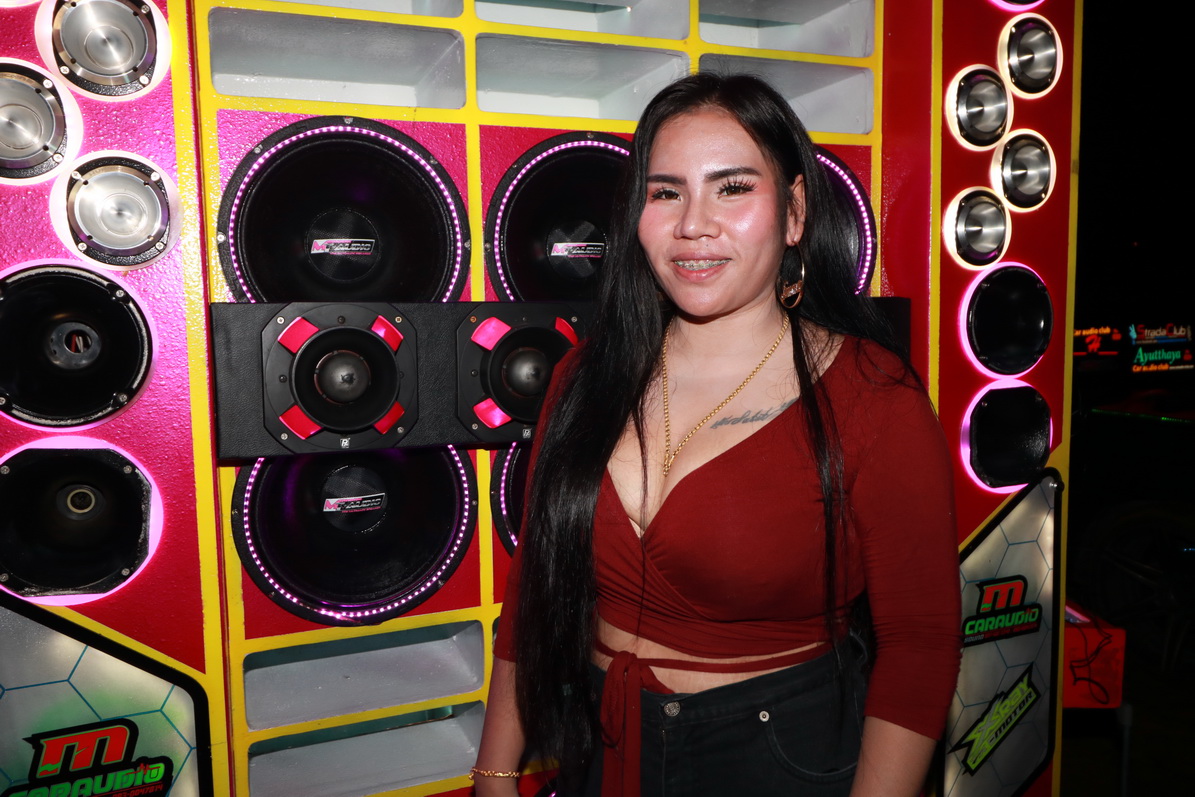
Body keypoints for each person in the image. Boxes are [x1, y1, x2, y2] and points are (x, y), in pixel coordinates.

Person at [472, 73, 960, 797]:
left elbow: (920, 646)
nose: (693, 224)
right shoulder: (584, 376)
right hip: (604, 747)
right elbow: (535, 593)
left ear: (794, 212)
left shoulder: (870, 394)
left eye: (732, 188)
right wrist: (492, 773)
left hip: (779, 757)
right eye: (665, 192)